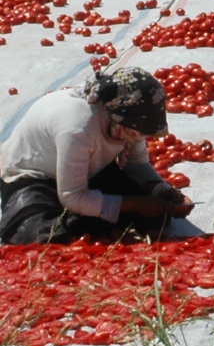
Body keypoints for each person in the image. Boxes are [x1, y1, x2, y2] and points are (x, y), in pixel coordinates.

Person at [1, 69, 192, 245]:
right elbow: (72, 197)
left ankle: (85, 219)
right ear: (119, 120)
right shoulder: (78, 127)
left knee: (155, 215)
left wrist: (161, 190)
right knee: (44, 238)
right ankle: (79, 219)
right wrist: (136, 203)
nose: (139, 139)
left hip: (89, 171)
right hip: (34, 178)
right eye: (136, 133)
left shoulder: (126, 119)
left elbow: (137, 165)